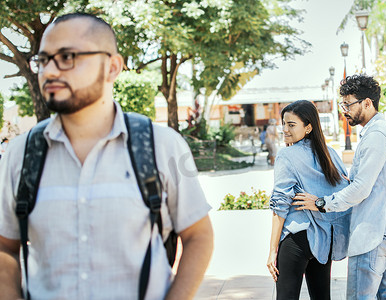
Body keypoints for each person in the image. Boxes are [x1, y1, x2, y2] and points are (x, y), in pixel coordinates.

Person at [0, 13, 213, 300]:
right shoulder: (20, 154)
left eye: (67, 57)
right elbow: (5, 247)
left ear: (112, 67)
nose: (49, 71)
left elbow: (198, 235)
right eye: (43, 60)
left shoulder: (162, 145)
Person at [293, 74, 386, 299]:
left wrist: (320, 203)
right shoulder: (381, 132)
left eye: (348, 104)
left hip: (372, 235)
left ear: (367, 103)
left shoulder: (376, 136)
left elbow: (361, 189)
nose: (344, 110)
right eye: (343, 104)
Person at [266, 100, 351, 300]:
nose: (285, 129)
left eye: (291, 125)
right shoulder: (330, 154)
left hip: (296, 239)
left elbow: (280, 205)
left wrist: (272, 250)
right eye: (284, 124)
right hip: (323, 239)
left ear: (308, 127)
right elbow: (345, 191)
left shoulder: (286, 155)